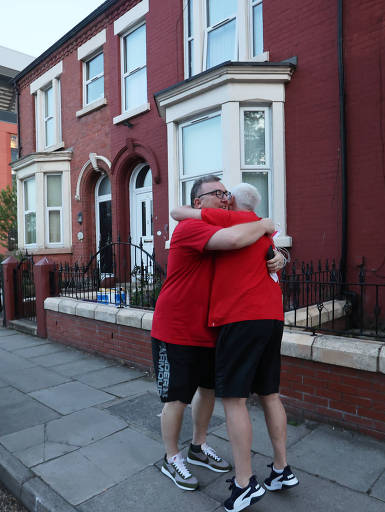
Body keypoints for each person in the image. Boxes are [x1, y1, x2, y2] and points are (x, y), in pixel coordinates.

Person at [171, 183, 297, 512]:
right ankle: (281, 469)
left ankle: (244, 483)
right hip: (272, 317)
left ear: (233, 203)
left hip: (240, 318)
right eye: (219, 193)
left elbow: (177, 211)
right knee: (269, 393)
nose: (224, 198)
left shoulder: (229, 219)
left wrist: (260, 226)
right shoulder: (260, 228)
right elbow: (271, 254)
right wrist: (269, 228)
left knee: (234, 400)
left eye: (227, 195)